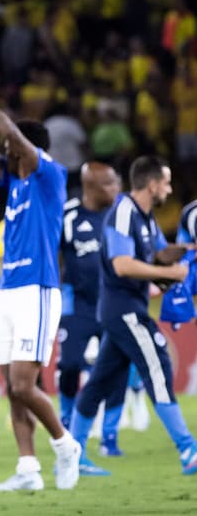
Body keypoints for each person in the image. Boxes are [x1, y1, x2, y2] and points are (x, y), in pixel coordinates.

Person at [0, 82, 83, 493]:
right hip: (8, 291)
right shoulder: (12, 186)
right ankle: (28, 467)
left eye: (12, 146)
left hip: (38, 289)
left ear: (26, 148)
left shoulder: (50, 175)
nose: (7, 151)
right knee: (12, 390)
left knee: (22, 383)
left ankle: (66, 444)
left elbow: (10, 137)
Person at [69, 156, 197, 476]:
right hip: (123, 308)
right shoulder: (124, 212)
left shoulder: (146, 217)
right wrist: (169, 272)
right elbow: (121, 265)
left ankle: (72, 453)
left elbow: (160, 252)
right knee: (158, 364)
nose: (169, 189)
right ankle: (188, 449)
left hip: (125, 308)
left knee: (99, 382)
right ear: (152, 184)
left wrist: (188, 250)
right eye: (166, 182)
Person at [56, 163, 122, 467]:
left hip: (112, 302)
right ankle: (67, 422)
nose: (116, 189)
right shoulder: (68, 214)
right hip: (78, 304)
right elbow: (52, 252)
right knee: (69, 364)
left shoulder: (121, 214)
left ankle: (109, 437)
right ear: (91, 186)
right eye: (109, 184)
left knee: (115, 369)